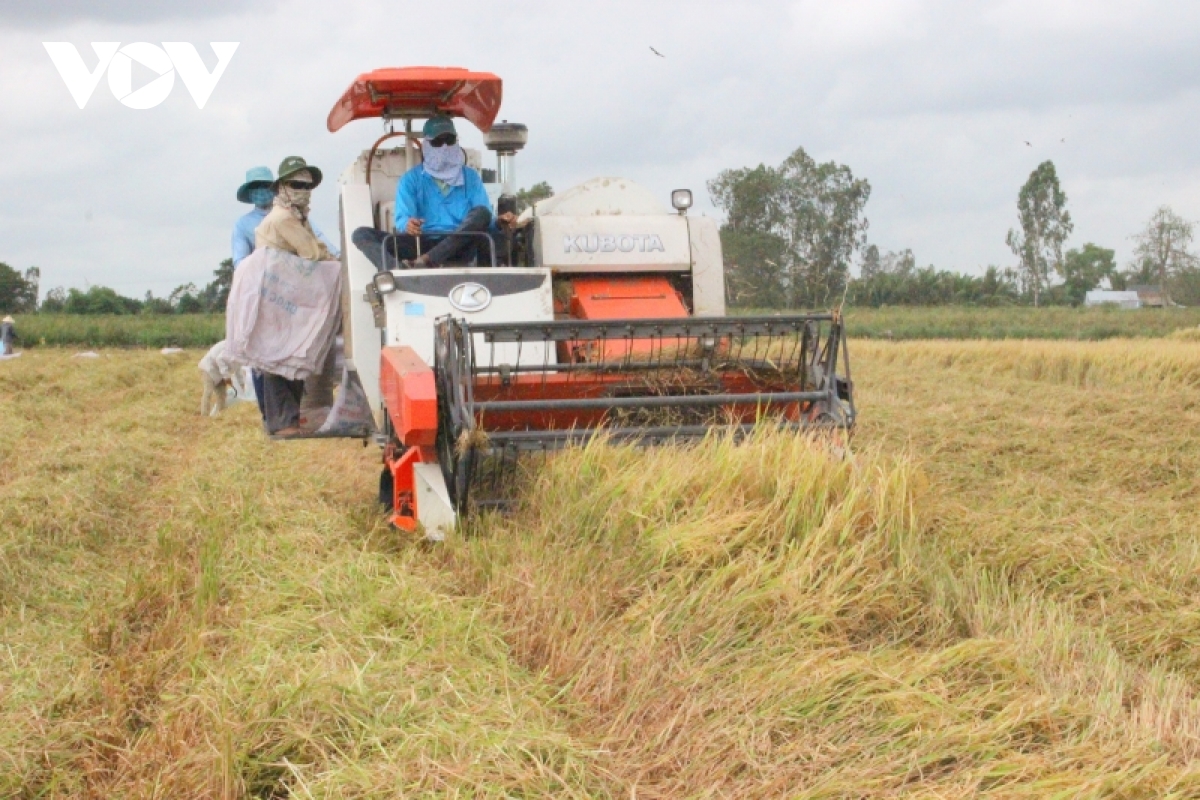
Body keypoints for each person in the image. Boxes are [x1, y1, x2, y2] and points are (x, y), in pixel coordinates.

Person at [352, 115, 516, 271]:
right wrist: (409, 225)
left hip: (462, 244)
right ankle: (396, 270)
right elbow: (402, 219)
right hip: (421, 243)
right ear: (426, 145)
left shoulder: (471, 177)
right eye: (438, 142)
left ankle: (428, 260)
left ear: (456, 141)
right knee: (360, 234)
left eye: (449, 140)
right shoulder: (410, 180)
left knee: (483, 214)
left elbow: (483, 217)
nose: (444, 147)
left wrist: (499, 222)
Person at [255, 156, 335, 435]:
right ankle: (281, 422)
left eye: (306, 184)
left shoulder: (298, 217)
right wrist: (333, 259)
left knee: (294, 355)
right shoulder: (283, 218)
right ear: (282, 188)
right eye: (295, 184)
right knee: (277, 357)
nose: (302, 189)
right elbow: (311, 252)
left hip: (291, 294)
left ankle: (292, 417)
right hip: (278, 295)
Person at [232, 166, 339, 268]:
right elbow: (240, 262)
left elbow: (318, 237)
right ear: (250, 192)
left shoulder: (295, 214)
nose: (261, 190)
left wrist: (339, 257)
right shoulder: (242, 224)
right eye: (256, 187)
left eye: (265, 185)